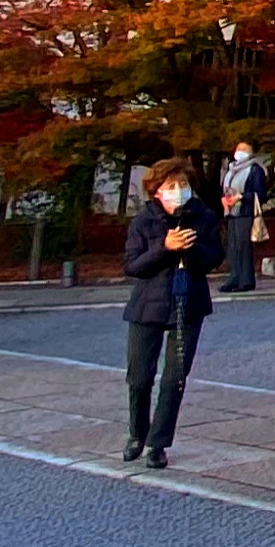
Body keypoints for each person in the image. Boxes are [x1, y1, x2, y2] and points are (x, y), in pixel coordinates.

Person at [117, 156, 222, 465]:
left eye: (183, 184)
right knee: (139, 376)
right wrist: (165, 247)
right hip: (147, 305)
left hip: (187, 305)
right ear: (157, 191)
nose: (178, 190)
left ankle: (158, 443)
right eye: (171, 186)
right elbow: (133, 266)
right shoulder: (143, 221)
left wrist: (191, 248)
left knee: (174, 377)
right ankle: (137, 432)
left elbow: (214, 257)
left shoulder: (203, 217)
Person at [217, 138, 266, 294]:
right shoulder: (231, 170)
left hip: (245, 212)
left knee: (243, 247)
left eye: (245, 149)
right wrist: (225, 199)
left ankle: (246, 280)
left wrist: (241, 197)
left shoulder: (255, 170)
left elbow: (261, 194)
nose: (240, 152)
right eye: (239, 148)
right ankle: (234, 277)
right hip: (232, 212)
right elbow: (224, 189)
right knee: (233, 246)